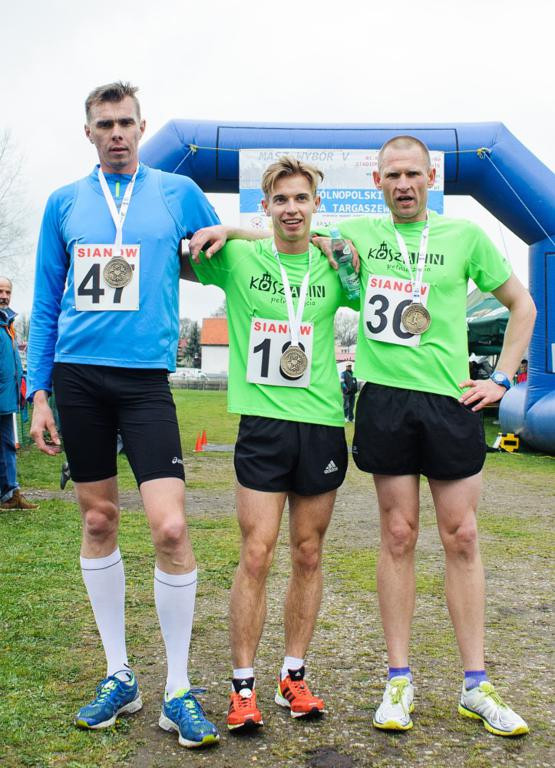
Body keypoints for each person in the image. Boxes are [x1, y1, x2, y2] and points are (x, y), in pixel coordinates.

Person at [313, 136, 536, 736]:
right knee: (398, 534)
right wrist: (227, 232)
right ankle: (398, 679)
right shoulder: (357, 233)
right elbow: (288, 231)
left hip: (449, 400)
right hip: (385, 399)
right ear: (377, 181)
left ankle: (475, 685)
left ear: (431, 177)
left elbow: (522, 306)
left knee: (462, 535)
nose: (404, 184)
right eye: (393, 175)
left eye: (413, 173)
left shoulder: (465, 236)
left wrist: (502, 379)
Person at [27, 82, 220, 749]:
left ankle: (177, 688)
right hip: (78, 377)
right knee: (98, 519)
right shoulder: (63, 202)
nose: (116, 133)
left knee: (170, 526)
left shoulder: (177, 192)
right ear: (89, 132)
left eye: (126, 123)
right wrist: (39, 391)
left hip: (143, 382)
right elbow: (46, 298)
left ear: (142, 127)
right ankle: (120, 675)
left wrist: (243, 233)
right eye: (104, 124)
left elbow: (222, 255)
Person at [185, 157, 356, 731]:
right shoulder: (237, 258)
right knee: (256, 553)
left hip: (322, 424)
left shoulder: (333, 262)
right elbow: (182, 254)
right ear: (265, 206)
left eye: (301, 198)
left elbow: (368, 286)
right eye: (280, 199)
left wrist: (332, 245)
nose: (291, 208)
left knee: (308, 553)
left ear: (316, 205)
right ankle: (242, 687)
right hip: (262, 425)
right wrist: (232, 231)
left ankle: (293, 676)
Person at [0, 277, 37, 511]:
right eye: (0, 291)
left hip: (7, 398)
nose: (4, 296)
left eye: (7, 292)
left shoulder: (8, 325)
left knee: (7, 446)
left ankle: (10, 493)